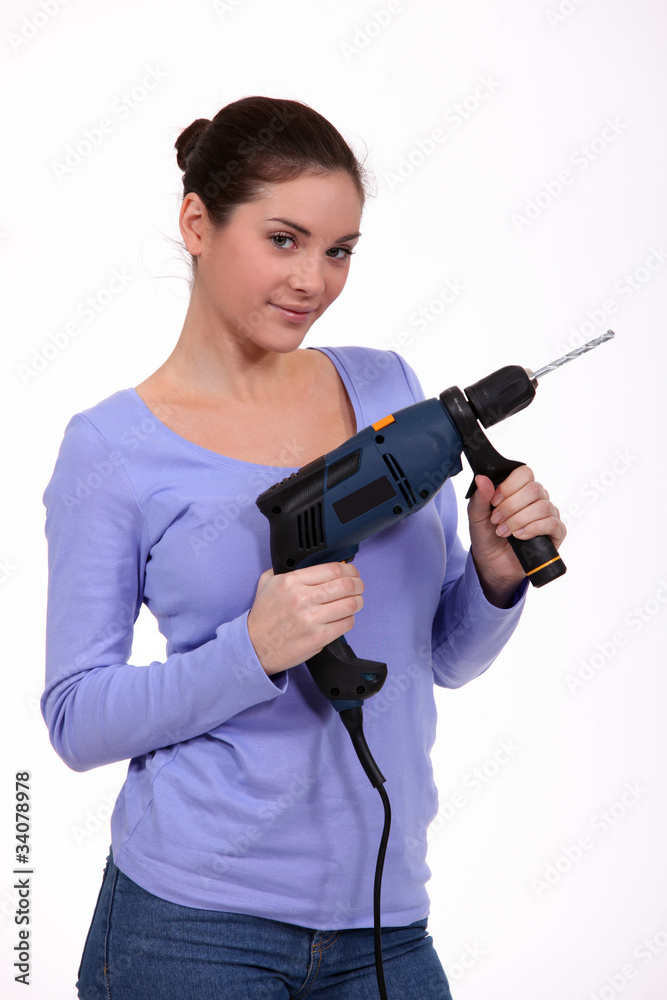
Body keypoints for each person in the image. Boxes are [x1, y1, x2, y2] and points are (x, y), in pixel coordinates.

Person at [41, 95, 566, 1000]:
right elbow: (77, 719)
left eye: (338, 250)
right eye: (283, 240)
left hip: (385, 917)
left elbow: (440, 660)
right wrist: (251, 651)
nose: (312, 281)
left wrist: (492, 575)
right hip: (188, 929)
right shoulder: (112, 449)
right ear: (197, 223)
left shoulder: (384, 388)